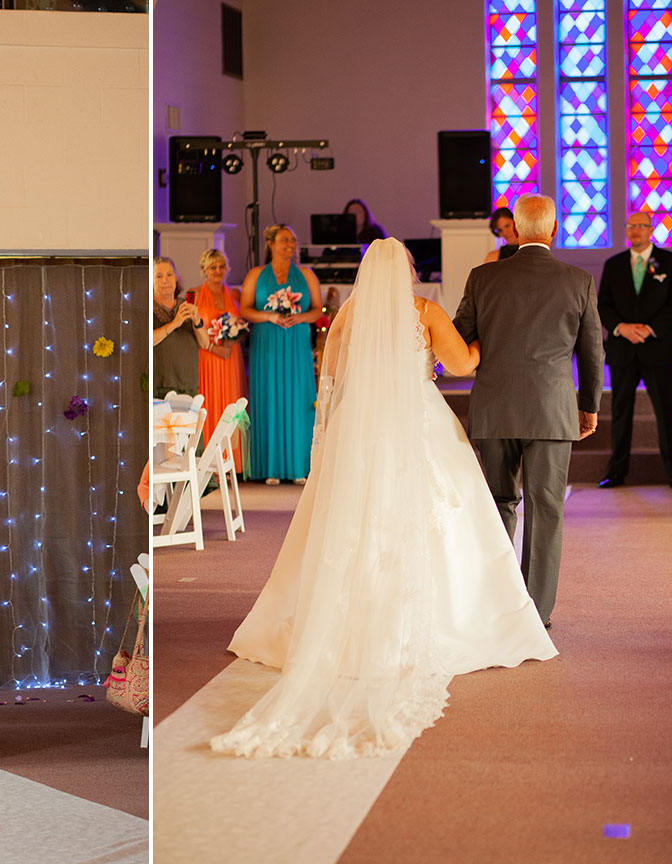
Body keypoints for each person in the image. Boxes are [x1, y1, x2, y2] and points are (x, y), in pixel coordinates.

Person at [211, 239, 556, 760]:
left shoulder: (349, 315)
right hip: (417, 419)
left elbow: (330, 373)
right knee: (444, 515)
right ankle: (447, 619)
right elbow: (461, 364)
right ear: (408, 274)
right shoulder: (425, 312)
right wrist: (487, 341)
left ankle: (349, 621)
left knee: (357, 517)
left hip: (359, 424)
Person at [453, 193, 604, 627]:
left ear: (514, 230)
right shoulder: (578, 280)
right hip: (552, 411)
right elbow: (592, 352)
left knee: (498, 502)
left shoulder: (483, 278)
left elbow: (461, 340)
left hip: (494, 409)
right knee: (545, 506)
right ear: (554, 230)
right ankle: (533, 614)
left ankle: (497, 599)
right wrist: (588, 407)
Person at [596, 212, 672, 489]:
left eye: (641, 226)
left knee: (665, 411)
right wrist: (621, 327)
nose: (635, 230)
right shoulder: (613, 265)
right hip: (622, 348)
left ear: (651, 230)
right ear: (626, 231)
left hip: (656, 348)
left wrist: (649, 328)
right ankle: (616, 472)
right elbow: (603, 304)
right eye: (631, 226)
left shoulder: (671, 262)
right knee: (621, 411)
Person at [239, 224, 322, 484]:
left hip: (296, 341)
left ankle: (300, 466)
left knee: (299, 398)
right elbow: (245, 310)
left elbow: (318, 310)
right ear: (270, 244)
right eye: (284, 240)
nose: (290, 245)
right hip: (267, 342)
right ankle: (270, 466)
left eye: (293, 240)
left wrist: (299, 318)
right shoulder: (256, 274)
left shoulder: (307, 275)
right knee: (269, 396)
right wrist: (270, 316)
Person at [194, 248, 247, 472]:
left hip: (230, 358)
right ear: (204, 270)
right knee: (209, 404)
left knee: (230, 404)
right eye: (213, 267)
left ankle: (231, 462)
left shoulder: (236, 295)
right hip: (207, 357)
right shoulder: (193, 294)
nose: (218, 271)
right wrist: (214, 346)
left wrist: (229, 342)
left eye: (221, 266)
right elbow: (191, 327)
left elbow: (244, 324)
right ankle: (209, 462)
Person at [153, 256, 211, 398]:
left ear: (176, 278)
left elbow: (205, 343)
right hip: (161, 388)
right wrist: (174, 324)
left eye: (169, 274)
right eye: (159, 276)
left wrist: (197, 320)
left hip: (189, 387)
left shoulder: (185, 306)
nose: (165, 280)